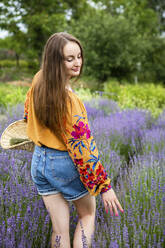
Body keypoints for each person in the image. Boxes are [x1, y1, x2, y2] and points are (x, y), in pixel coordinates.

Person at [24, 32, 124, 248]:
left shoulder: (39, 78)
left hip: (39, 162)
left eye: (79, 56)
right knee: (87, 216)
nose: (77, 63)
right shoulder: (70, 101)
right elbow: (83, 150)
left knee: (59, 230)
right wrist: (105, 186)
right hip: (64, 164)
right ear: (55, 61)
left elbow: (27, 114)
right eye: (70, 59)